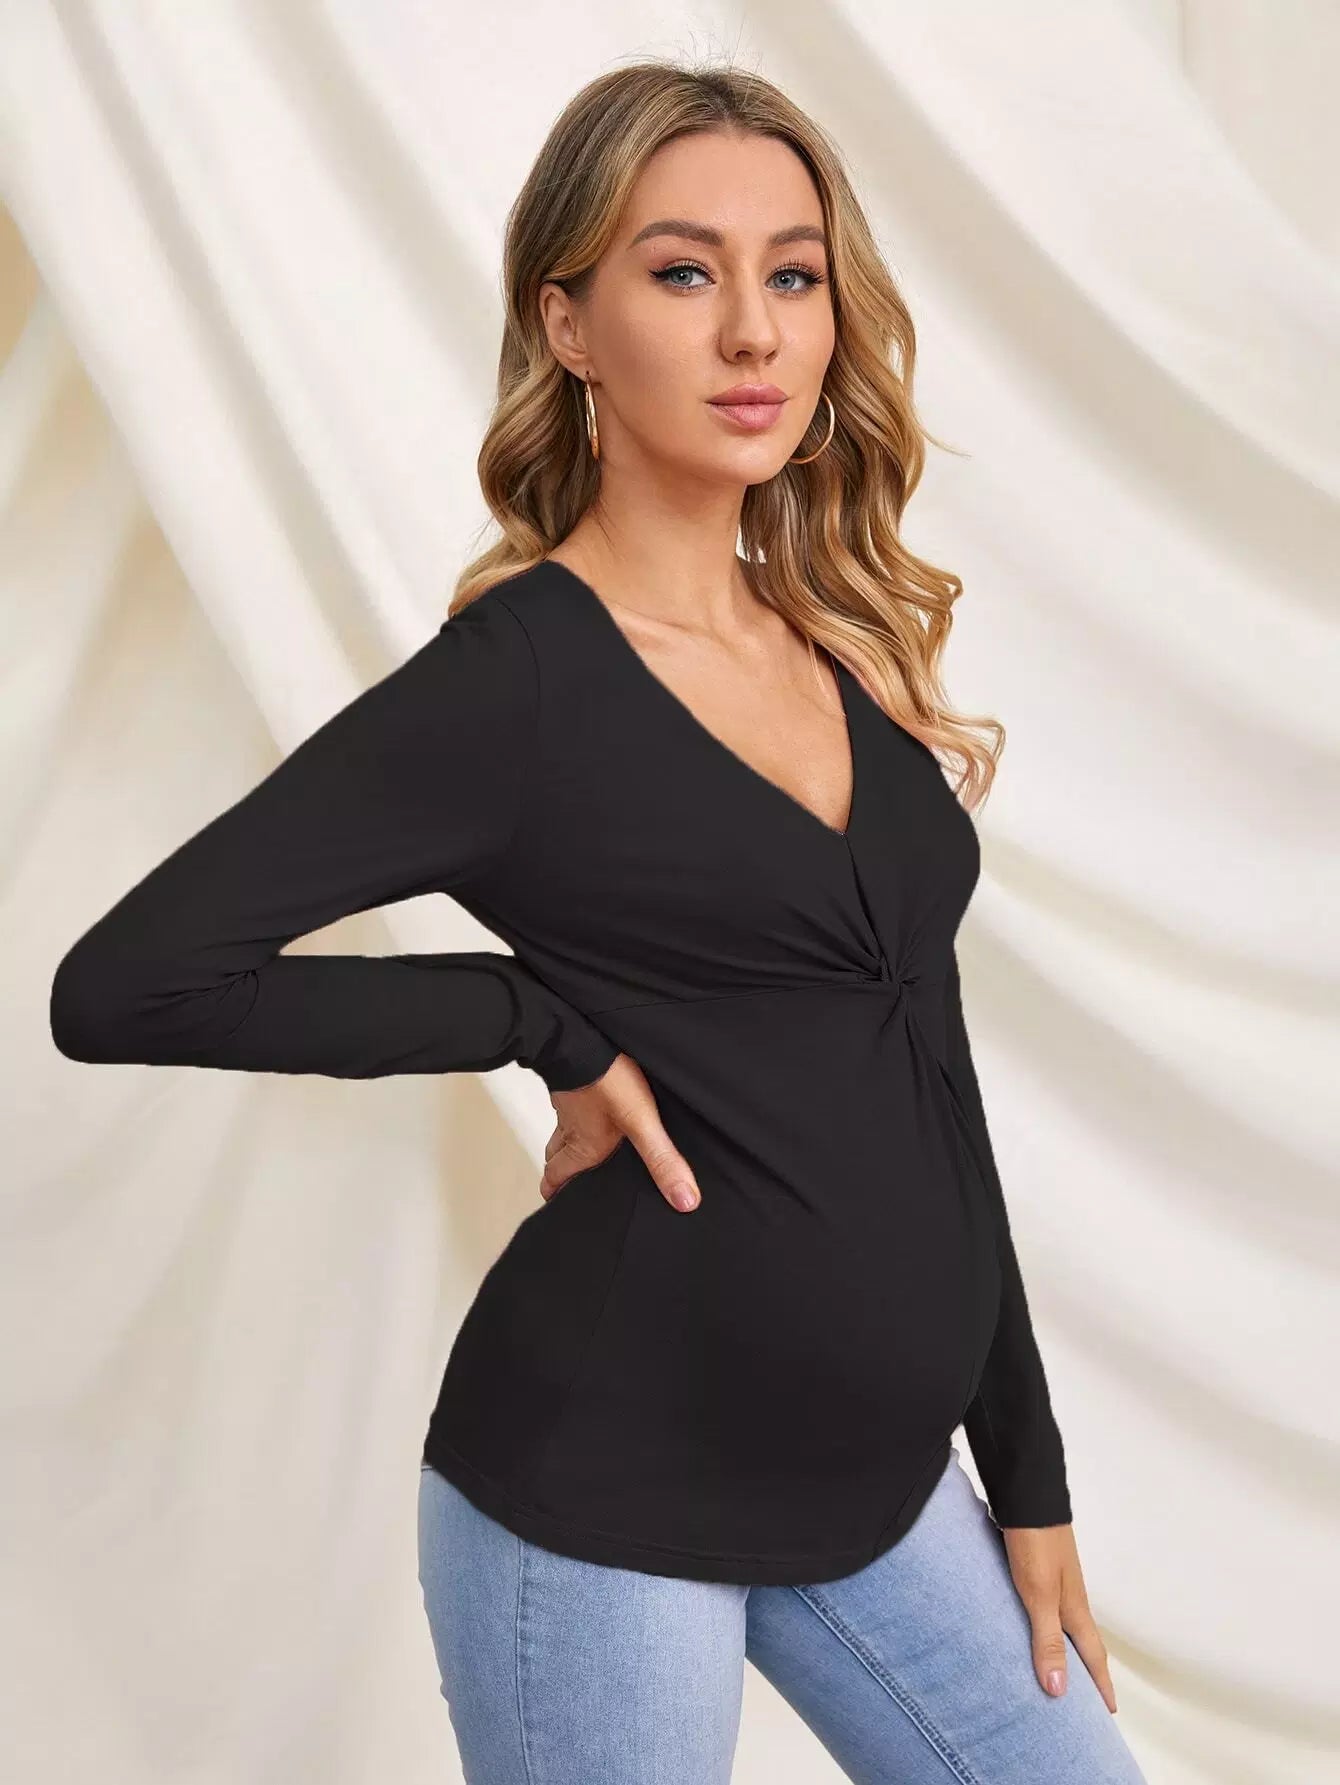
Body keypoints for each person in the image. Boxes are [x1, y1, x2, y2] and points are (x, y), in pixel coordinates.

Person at [48, 57, 1148, 1785]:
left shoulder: (838, 654)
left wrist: (1032, 1472)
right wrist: (530, 1019)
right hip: (605, 1490)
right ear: (568, 324)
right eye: (683, 271)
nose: (755, 332)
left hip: (875, 1481)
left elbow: (931, 1077)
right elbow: (124, 982)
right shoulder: (518, 684)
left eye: (794, 275)